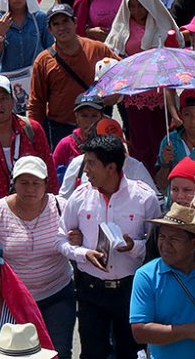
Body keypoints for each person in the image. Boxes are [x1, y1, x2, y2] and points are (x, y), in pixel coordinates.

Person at [58, 134, 162, 359]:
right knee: (92, 353)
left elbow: (156, 247)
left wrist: (134, 246)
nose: (85, 170)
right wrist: (83, 253)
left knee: (132, 353)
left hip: (131, 290)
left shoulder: (144, 198)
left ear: (111, 167)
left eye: (91, 163)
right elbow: (60, 240)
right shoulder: (79, 197)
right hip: (90, 291)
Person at [0, 156, 75, 359]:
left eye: (36, 183)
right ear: (14, 184)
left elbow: (78, 240)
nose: (30, 189)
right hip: (13, 299)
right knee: (17, 354)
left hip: (57, 293)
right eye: (23, 183)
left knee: (59, 352)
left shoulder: (62, 207)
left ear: (46, 184)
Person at [130, 203, 195, 358]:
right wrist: (189, 331)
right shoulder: (146, 276)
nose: (165, 245)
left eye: (174, 239)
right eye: (162, 237)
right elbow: (140, 331)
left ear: (193, 244)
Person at [105, 0, 183, 165]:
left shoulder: (161, 25)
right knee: (139, 143)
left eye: (140, 5)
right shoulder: (123, 27)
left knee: (162, 141)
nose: (136, 10)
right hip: (134, 95)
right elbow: (115, 55)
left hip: (160, 94)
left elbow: (171, 55)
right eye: (131, 6)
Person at [28, 3, 118, 148]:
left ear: (75, 22)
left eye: (65, 21)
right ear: (49, 30)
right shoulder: (43, 61)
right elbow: (36, 104)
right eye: (56, 24)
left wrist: (116, 95)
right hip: (60, 129)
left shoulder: (98, 49)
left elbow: (123, 74)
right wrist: (33, 136)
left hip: (97, 125)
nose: (62, 27)